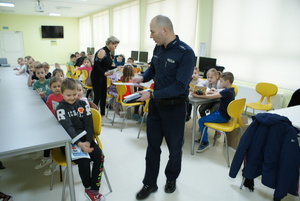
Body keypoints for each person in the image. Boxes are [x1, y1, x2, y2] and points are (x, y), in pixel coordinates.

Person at [132, 15, 195, 200]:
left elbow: (180, 86)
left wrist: (151, 94)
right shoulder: (158, 47)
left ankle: (171, 179)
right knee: (152, 147)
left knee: (175, 149)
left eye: (152, 31)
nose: (151, 36)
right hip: (156, 107)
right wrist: (142, 77)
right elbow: (153, 69)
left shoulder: (186, 53)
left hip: (175, 109)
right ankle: (149, 183)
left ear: (164, 30)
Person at [56, 78, 105, 201]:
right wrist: (80, 144)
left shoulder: (83, 104)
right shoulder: (61, 108)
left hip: (86, 139)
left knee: (99, 156)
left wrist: (88, 141)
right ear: (62, 94)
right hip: (70, 142)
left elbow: (88, 124)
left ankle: (94, 188)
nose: (72, 97)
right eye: (68, 95)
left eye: (75, 94)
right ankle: (88, 187)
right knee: (84, 161)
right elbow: (68, 128)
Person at [192, 72, 235, 153]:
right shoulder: (231, 91)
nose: (220, 83)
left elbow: (210, 96)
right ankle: (203, 138)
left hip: (222, 116)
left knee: (201, 121)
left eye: (221, 81)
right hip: (224, 115)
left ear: (227, 82)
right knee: (204, 119)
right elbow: (219, 93)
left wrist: (197, 95)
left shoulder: (226, 92)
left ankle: (205, 142)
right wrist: (215, 91)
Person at [91, 36, 120, 123]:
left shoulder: (108, 53)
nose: (115, 47)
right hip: (97, 76)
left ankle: (102, 115)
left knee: (104, 96)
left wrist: (116, 67)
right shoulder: (102, 51)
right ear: (110, 43)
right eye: (115, 46)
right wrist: (104, 72)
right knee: (98, 96)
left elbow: (106, 66)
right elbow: (96, 65)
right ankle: (93, 116)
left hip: (102, 76)